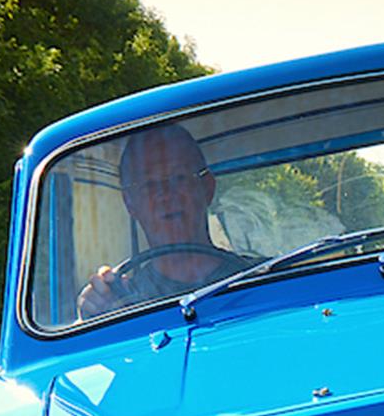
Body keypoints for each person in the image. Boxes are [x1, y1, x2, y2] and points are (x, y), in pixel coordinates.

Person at [76, 123, 256, 320]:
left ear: (207, 188)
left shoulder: (263, 279)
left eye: (179, 178)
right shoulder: (122, 304)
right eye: (149, 185)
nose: (166, 195)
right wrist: (92, 315)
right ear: (131, 204)